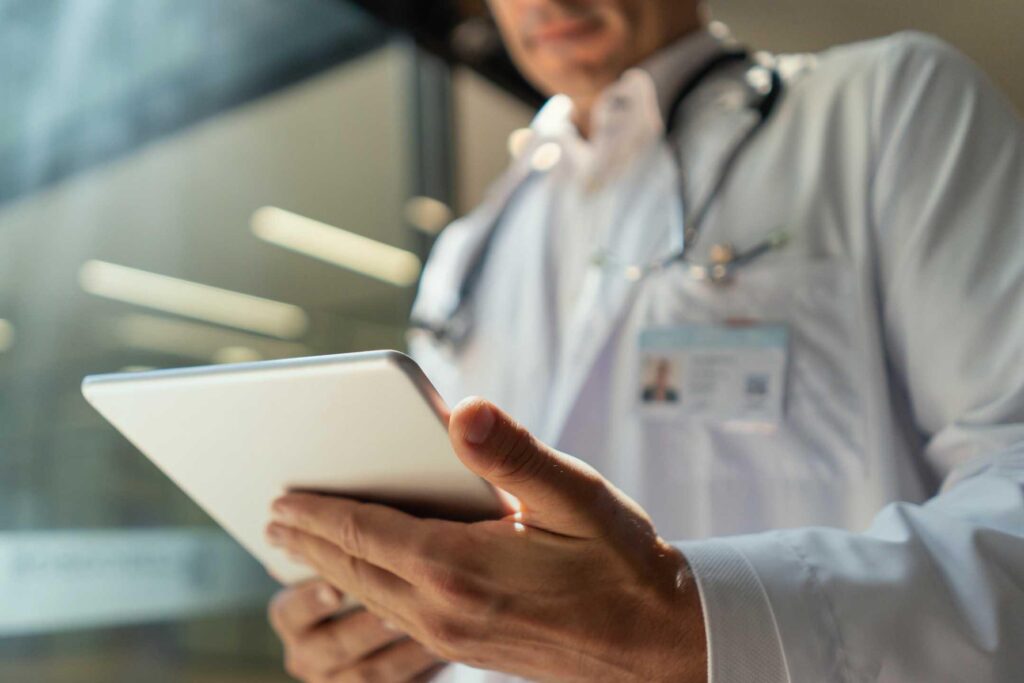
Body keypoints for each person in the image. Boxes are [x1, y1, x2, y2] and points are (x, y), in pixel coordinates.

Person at [264, 0, 1024, 681]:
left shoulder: (886, 105)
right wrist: (383, 638)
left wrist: (689, 623)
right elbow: (467, 570)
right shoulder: (470, 250)